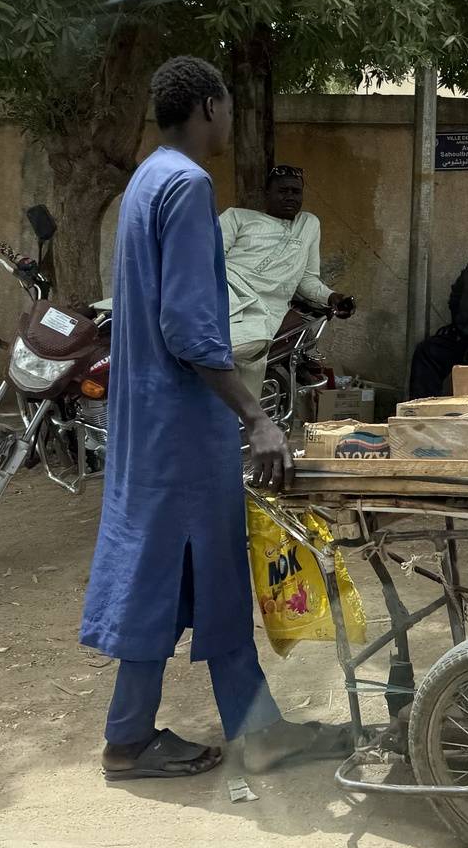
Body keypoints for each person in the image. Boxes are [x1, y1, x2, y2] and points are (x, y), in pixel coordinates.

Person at [81, 56, 346, 780]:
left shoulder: (145, 180)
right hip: (180, 422)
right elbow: (191, 330)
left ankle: (255, 730)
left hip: (149, 419)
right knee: (162, 571)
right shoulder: (189, 186)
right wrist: (258, 420)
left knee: (202, 569)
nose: (230, 121)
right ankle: (128, 740)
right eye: (226, 106)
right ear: (205, 108)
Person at [219, 165, 355, 400]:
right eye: (283, 191)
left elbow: (306, 278)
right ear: (267, 194)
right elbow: (208, 260)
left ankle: (237, 425)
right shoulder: (237, 217)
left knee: (252, 345)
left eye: (296, 191)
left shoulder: (308, 225)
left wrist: (332, 297)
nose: (290, 197)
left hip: (264, 308)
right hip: (228, 288)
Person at [407, 231, 468, 400]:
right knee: (427, 351)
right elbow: (456, 296)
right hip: (462, 337)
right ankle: (419, 411)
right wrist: (457, 324)